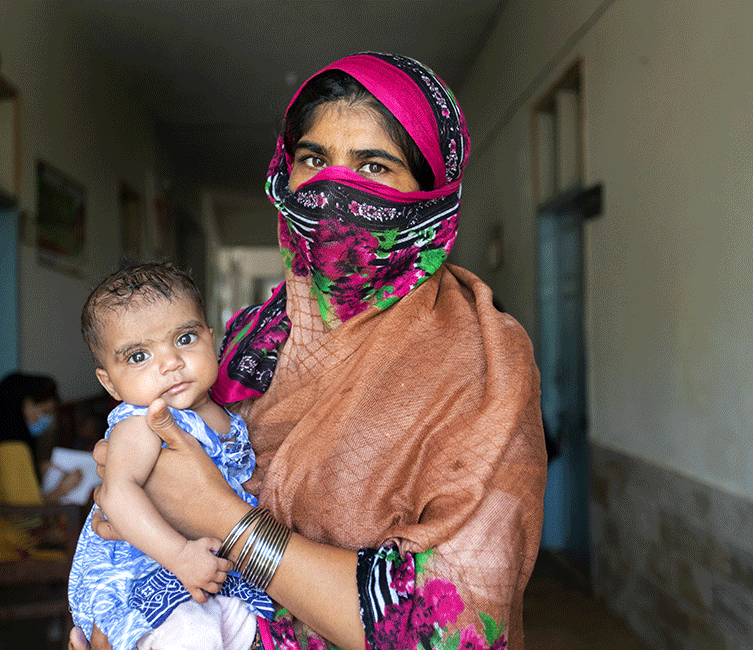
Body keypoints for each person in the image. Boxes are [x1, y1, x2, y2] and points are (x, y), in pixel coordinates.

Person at [72, 52, 545, 650]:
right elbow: (130, 502)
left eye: (373, 166)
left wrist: (226, 521)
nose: (332, 190)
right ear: (285, 173)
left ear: (431, 192)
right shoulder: (247, 340)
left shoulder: (481, 367)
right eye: (313, 160)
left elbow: (455, 628)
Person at [69, 262, 273, 650]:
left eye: (184, 339)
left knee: (245, 628)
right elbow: (116, 494)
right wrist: (179, 556)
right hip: (147, 572)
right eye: (138, 356)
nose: (170, 363)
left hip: (208, 570)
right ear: (110, 384)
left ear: (211, 339)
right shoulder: (143, 421)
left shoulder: (226, 416)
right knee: (194, 636)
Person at [0, 372, 82, 563]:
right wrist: (62, 490)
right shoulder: (12, 448)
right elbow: (28, 517)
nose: (46, 420)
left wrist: (35, 470)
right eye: (45, 412)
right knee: (79, 553)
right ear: (27, 405)